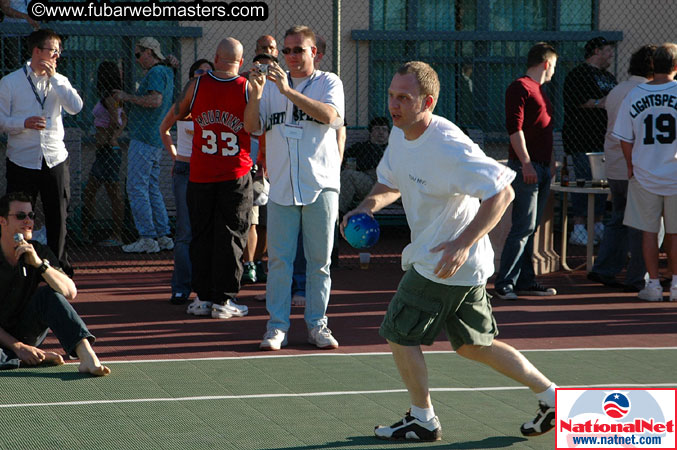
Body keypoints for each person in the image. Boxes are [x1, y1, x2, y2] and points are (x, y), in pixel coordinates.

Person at [342, 61, 557, 441]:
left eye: (404, 98)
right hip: (457, 265)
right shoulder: (400, 133)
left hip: (443, 262)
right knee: (476, 346)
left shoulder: (447, 144)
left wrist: (462, 242)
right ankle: (551, 396)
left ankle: (423, 419)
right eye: (391, 95)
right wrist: (366, 207)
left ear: (426, 101)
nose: (394, 104)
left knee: (399, 332)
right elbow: (390, 182)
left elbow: (502, 192)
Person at [244, 25, 345, 350]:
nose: (290, 56)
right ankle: (276, 327)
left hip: (321, 184)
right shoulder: (269, 86)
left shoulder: (328, 82)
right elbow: (251, 127)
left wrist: (288, 91)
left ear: (314, 52)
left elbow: (331, 116)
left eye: (298, 50)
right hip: (282, 187)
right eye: (285, 51)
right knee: (278, 261)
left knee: (319, 262)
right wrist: (257, 93)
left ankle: (318, 325)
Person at [161, 38, 252, 319]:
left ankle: (201, 298)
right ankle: (224, 300)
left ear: (215, 57)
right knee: (232, 236)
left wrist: (176, 155)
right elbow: (257, 128)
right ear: (241, 60)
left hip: (200, 175)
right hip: (234, 174)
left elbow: (167, 125)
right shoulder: (248, 88)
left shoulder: (195, 84)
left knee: (201, 236)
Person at [0, 28, 83, 277]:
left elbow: (76, 107)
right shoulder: (10, 82)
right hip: (22, 160)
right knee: (18, 215)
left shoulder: (61, 81)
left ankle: (58, 268)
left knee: (59, 214)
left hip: (55, 158)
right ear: (37, 51)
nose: (56, 55)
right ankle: (17, 267)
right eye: (52, 50)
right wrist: (23, 123)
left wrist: (56, 79)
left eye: (59, 52)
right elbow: (2, 120)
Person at [0, 192, 110, 376]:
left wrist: (39, 264)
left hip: (26, 330)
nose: (28, 221)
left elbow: (70, 292)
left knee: (49, 295)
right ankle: (27, 356)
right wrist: (18, 347)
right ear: (2, 221)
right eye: (20, 216)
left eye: (31, 216)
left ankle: (87, 357)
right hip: (4, 338)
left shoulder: (39, 251)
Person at [493, 43, 558, 300]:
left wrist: (550, 160)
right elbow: (514, 128)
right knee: (522, 226)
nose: (554, 70)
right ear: (546, 63)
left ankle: (526, 280)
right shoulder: (520, 87)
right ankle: (504, 283)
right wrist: (527, 162)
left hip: (541, 168)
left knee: (531, 227)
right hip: (526, 168)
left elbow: (546, 130)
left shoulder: (542, 91)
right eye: (554, 64)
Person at [587, 45, 655, 292]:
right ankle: (638, 276)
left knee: (617, 218)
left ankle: (604, 268)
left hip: (614, 165)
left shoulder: (618, 89)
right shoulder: (646, 92)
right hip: (636, 166)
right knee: (642, 223)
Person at [612, 43, 677, 303]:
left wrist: (630, 164)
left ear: (652, 66)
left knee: (648, 232)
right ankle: (675, 285)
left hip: (644, 172)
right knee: (674, 233)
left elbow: (624, 138)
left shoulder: (634, 94)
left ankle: (652, 284)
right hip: (675, 173)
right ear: (675, 67)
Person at [159, 59, 214, 305]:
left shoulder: (218, 104)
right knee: (185, 232)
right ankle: (181, 287)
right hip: (186, 170)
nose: (203, 75)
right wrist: (175, 157)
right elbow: (164, 129)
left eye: (208, 72)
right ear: (191, 77)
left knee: (210, 230)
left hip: (212, 171)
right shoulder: (184, 104)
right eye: (198, 72)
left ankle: (208, 287)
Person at [113, 37, 175, 254]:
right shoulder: (166, 72)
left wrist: (127, 98)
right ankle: (163, 235)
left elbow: (154, 101)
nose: (137, 59)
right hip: (155, 138)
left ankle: (147, 236)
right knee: (151, 187)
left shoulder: (157, 73)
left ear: (149, 52)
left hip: (145, 138)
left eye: (139, 54)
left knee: (137, 187)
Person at [563, 36, 618, 246]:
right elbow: (576, 101)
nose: (610, 55)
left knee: (602, 184)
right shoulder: (578, 74)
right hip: (582, 139)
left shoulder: (609, 77)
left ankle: (597, 224)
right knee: (583, 182)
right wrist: (600, 102)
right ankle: (578, 227)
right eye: (607, 51)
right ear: (596, 51)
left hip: (605, 139)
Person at [81, 61, 127, 247]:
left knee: (112, 193)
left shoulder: (110, 97)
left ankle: (117, 235)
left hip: (108, 150)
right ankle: (85, 231)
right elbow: (123, 118)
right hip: (103, 151)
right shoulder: (112, 97)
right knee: (91, 192)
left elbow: (118, 120)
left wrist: (111, 137)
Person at [339, 116, 390, 215]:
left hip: (389, 183)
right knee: (347, 174)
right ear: (370, 132)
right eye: (377, 129)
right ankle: (339, 214)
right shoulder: (360, 147)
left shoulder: (393, 148)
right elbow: (345, 160)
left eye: (384, 129)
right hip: (367, 181)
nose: (381, 132)